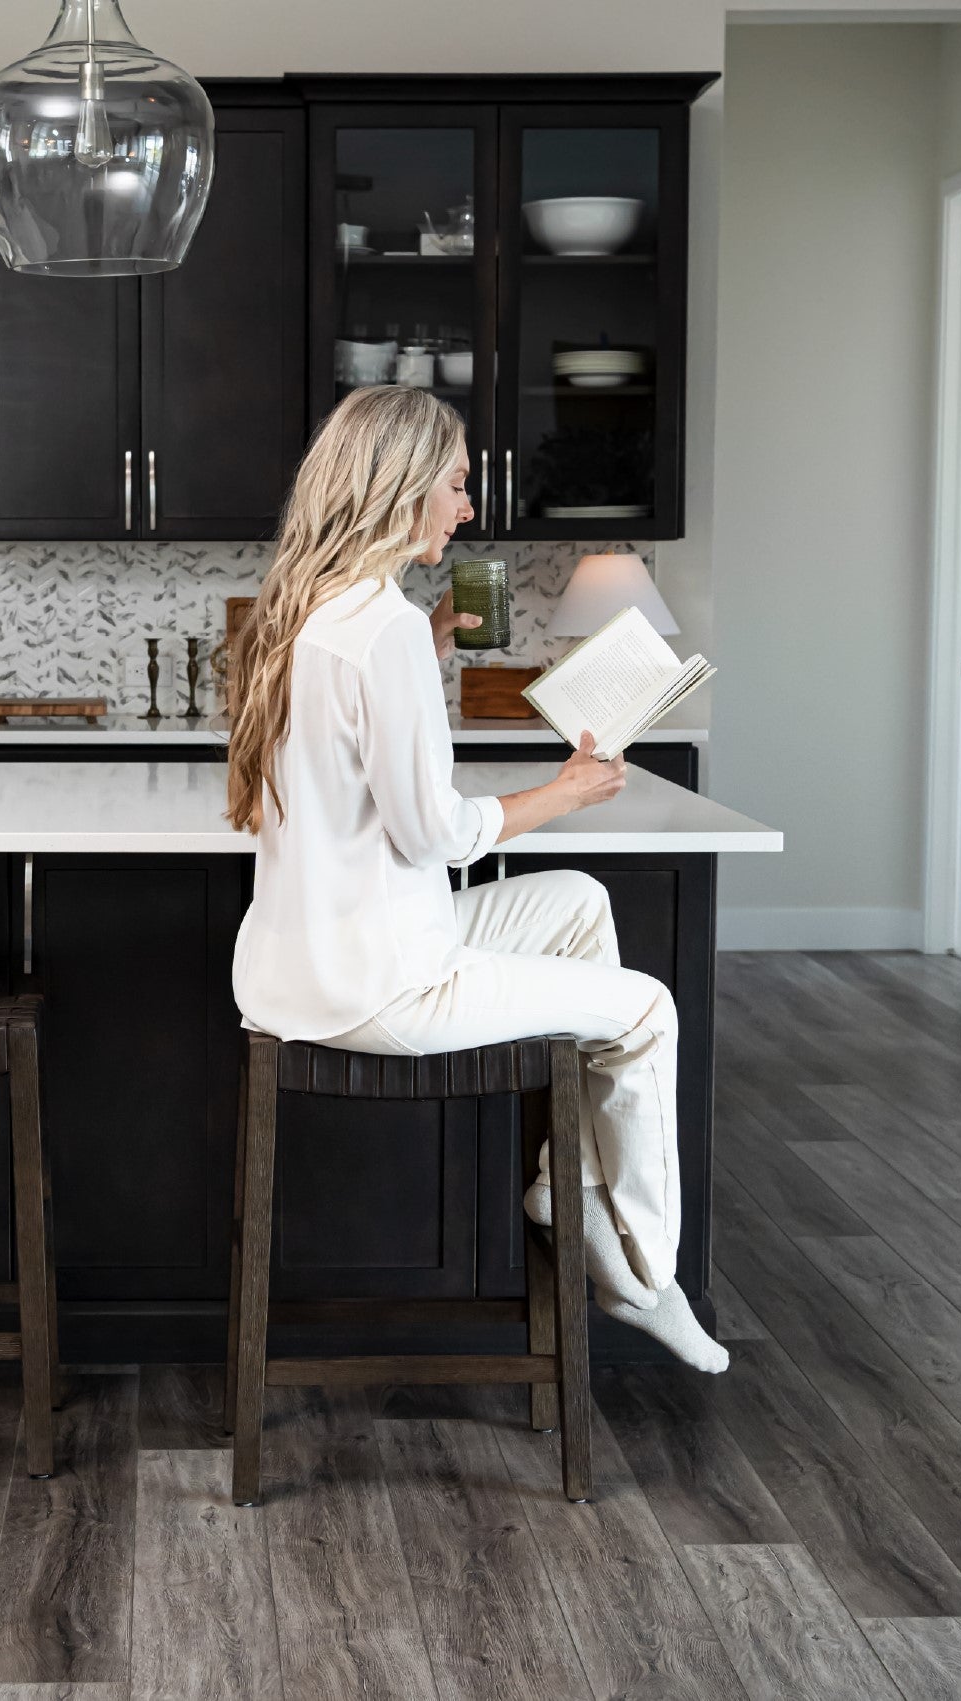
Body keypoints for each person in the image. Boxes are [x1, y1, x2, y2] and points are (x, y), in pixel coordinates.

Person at [224, 385, 725, 1372]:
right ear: (404, 488)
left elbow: (361, 735)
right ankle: (639, 1275)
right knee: (650, 1010)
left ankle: (567, 1182)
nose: (464, 506)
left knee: (579, 900)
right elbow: (435, 834)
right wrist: (569, 790)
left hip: (295, 965)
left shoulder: (306, 609)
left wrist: (441, 637)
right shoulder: (385, 630)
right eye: (454, 484)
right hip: (385, 984)